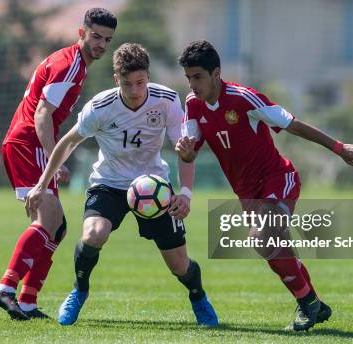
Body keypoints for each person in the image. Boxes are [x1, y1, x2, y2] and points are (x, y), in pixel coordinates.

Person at [175, 40, 353, 331]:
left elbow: (292, 124)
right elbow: (191, 150)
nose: (192, 84)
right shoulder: (193, 105)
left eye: (198, 77)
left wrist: (338, 147)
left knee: (262, 237)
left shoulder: (244, 99)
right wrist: (185, 151)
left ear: (216, 73)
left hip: (278, 179)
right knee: (274, 247)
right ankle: (314, 302)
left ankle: (308, 303)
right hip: (246, 193)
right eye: (188, 78)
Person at [25, 43, 218, 326]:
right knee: (93, 235)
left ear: (148, 77)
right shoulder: (100, 107)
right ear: (117, 80)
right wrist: (42, 184)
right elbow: (68, 142)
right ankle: (79, 290)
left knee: (179, 264)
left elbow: (184, 150)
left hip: (154, 186)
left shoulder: (166, 100)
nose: (135, 90)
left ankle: (198, 296)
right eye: (127, 84)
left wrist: (185, 194)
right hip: (109, 183)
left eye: (141, 82)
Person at [0, 8, 117, 321]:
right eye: (96, 36)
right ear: (81, 33)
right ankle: (5, 287)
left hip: (28, 143)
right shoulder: (69, 64)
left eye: (107, 39)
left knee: (57, 227)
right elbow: (42, 114)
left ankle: (28, 301)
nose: (100, 44)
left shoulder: (75, 63)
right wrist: (53, 161)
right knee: (48, 221)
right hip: (29, 144)